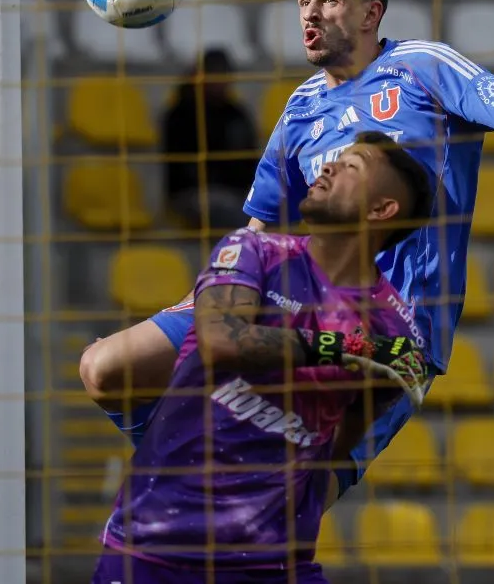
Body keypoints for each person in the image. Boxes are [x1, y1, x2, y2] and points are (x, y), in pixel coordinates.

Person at [81, 0, 494, 504]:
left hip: (394, 333)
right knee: (107, 368)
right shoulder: (299, 109)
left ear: (370, 14)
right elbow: (259, 229)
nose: (310, 15)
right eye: (303, 1)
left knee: (292, 501)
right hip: (297, 298)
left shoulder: (425, 66)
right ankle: (185, 474)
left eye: (329, 1)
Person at [91, 131, 434, 584]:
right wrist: (342, 349)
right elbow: (220, 342)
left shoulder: (392, 328)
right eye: (334, 159)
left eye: (353, 166)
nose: (327, 167)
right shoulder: (253, 251)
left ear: (381, 210)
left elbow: (341, 440)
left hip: (273, 566)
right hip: (153, 551)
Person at [162, 48, 260, 231]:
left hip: (236, 192)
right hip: (193, 194)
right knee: (236, 211)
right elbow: (182, 171)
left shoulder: (237, 114)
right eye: (215, 73)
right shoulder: (181, 114)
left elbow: (250, 162)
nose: (221, 81)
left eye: (224, 74)